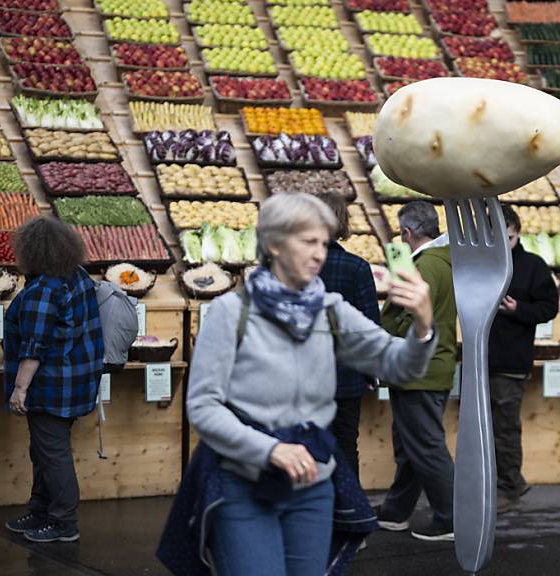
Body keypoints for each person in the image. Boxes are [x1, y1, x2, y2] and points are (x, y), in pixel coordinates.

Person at [183, 193, 438, 575]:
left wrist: (422, 325)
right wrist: (270, 449)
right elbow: (202, 405)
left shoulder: (330, 308)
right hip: (245, 483)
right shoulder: (230, 312)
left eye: (323, 242)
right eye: (308, 241)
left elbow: (398, 366)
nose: (319, 253)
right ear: (273, 243)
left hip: (314, 483)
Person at [4, 216, 104, 543]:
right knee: (45, 450)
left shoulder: (44, 289)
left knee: (52, 452)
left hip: (51, 387)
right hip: (77, 382)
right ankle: (40, 510)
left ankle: (63, 521)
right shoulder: (75, 275)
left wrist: (20, 389)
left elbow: (33, 347)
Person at [377, 200, 458, 542]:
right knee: (413, 443)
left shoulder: (423, 266)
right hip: (436, 363)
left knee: (425, 446)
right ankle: (396, 512)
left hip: (418, 368)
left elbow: (409, 316)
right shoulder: (446, 261)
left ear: (407, 232)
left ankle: (451, 518)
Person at [489, 205, 559, 512]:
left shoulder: (533, 265)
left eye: (510, 237)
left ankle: (510, 486)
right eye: (498, 238)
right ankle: (493, 484)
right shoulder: (483, 263)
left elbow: (549, 309)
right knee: (485, 428)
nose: (505, 244)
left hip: (511, 359)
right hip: (481, 358)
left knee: (504, 428)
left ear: (518, 232)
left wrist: (518, 310)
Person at [315, 193, 380, 479]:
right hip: (346, 375)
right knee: (344, 445)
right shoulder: (357, 267)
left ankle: (309, 515)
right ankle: (349, 514)